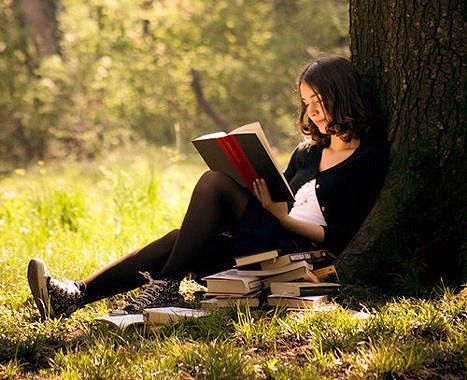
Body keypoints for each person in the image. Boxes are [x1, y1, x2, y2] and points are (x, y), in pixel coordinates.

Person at [27, 55, 389, 320]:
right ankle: (76, 295)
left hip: (300, 258)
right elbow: (285, 196)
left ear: (342, 96)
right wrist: (263, 199)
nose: (313, 112)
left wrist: (281, 218)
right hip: (265, 239)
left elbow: (336, 236)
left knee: (215, 182)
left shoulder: (366, 158)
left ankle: (165, 284)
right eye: (307, 103)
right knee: (177, 238)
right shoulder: (308, 151)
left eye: (320, 101)